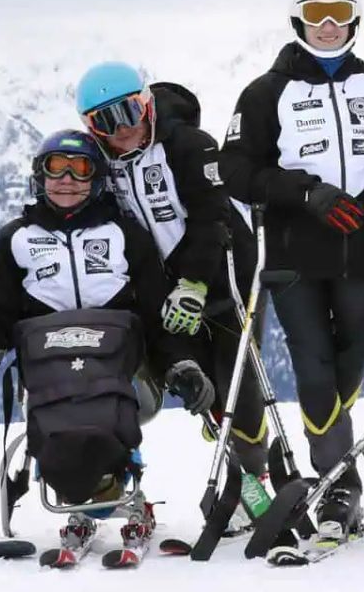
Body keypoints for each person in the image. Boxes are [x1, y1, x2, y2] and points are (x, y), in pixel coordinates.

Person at [219, 0, 364, 539]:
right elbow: (236, 169)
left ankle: (329, 475)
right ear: (297, 20)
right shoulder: (267, 92)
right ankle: (338, 487)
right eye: (315, 16)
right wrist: (304, 193)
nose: (326, 27)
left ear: (355, 21)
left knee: (349, 366)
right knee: (314, 365)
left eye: (338, 16)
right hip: (296, 254)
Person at [0, 130, 215, 542]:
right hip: (53, 376)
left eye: (80, 169)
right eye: (56, 168)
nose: (66, 178)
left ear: (97, 178)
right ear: (39, 176)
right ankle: (84, 495)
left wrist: (179, 365)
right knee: (65, 432)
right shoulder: (18, 239)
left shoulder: (124, 234)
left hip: (120, 371)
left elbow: (156, 313)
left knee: (104, 416)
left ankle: (117, 488)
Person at [73, 62, 270, 483]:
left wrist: (195, 283)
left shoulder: (188, 144)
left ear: (146, 105)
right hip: (165, 294)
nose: (122, 128)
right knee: (200, 386)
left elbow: (210, 217)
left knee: (241, 385)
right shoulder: (103, 166)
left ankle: (258, 476)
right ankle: (238, 476)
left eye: (128, 111)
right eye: (105, 121)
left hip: (223, 279)